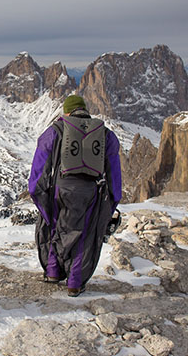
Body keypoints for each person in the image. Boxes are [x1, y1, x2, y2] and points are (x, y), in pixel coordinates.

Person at [28, 95, 122, 297]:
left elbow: (39, 171)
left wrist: (42, 201)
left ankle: (52, 272)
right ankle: (74, 283)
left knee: (54, 226)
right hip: (90, 192)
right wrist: (111, 203)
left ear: (66, 112)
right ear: (85, 110)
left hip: (59, 190)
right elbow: (114, 173)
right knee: (83, 234)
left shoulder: (54, 132)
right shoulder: (105, 134)